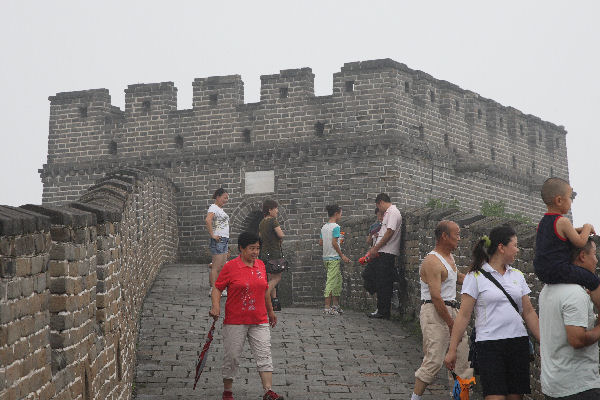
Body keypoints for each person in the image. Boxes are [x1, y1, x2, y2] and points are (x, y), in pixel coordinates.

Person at [445, 225, 540, 400]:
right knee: (495, 396)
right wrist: (452, 349)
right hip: (490, 345)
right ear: (501, 247)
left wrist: (544, 340)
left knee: (515, 397)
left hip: (517, 343)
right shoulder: (475, 277)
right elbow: (464, 316)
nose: (518, 250)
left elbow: (528, 312)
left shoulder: (517, 275)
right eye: (515, 245)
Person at [209, 231, 284, 400]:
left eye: (257, 248)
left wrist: (270, 311)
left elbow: (264, 290)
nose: (255, 252)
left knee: (264, 354)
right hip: (236, 321)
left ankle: (268, 391)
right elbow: (217, 288)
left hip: (259, 319)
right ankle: (228, 391)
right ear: (241, 248)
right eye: (251, 248)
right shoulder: (230, 267)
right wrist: (215, 306)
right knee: (232, 357)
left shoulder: (260, 266)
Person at [411, 221, 473, 400]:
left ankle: (459, 398)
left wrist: (479, 270)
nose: (459, 238)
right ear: (444, 236)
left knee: (462, 362)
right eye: (457, 234)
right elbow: (436, 296)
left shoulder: (449, 258)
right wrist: (451, 324)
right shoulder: (432, 261)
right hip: (434, 311)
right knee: (434, 359)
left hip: (452, 309)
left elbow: (458, 278)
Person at [539, 238, 600, 399]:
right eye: (594, 254)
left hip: (554, 384)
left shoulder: (548, 288)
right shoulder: (574, 293)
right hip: (577, 386)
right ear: (582, 256)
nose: (596, 260)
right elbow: (577, 340)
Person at [534, 177, 600, 309]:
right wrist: (587, 226)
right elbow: (580, 242)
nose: (571, 201)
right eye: (570, 198)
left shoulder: (542, 222)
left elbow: (559, 234)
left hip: (541, 270)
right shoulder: (563, 221)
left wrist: (578, 229)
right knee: (592, 280)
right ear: (559, 200)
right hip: (559, 269)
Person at [367, 193, 402, 319]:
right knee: (376, 279)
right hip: (382, 251)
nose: (379, 210)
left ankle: (383, 311)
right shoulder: (388, 213)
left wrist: (376, 247)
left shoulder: (392, 212)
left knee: (384, 282)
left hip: (387, 252)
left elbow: (389, 232)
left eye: (378, 206)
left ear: (381, 202)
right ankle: (381, 308)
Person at [319, 204, 350, 315]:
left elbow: (321, 243)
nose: (341, 216)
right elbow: (334, 243)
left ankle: (335, 305)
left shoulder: (324, 227)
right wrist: (342, 255)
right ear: (336, 213)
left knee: (337, 280)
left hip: (326, 257)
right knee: (331, 281)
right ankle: (327, 307)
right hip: (334, 257)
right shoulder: (336, 227)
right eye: (341, 213)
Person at [259, 199, 285, 311]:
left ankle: (274, 302)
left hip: (264, 253)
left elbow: (260, 237)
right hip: (274, 253)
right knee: (277, 277)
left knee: (270, 278)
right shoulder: (273, 221)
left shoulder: (261, 222)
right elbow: (280, 235)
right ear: (270, 210)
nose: (277, 211)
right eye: (276, 209)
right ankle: (264, 296)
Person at [206, 188, 230, 297]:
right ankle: (214, 288)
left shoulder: (220, 209)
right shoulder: (213, 207)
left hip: (224, 239)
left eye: (227, 198)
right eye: (224, 198)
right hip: (218, 239)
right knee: (216, 266)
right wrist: (212, 235)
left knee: (222, 266)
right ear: (218, 197)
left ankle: (220, 287)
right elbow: (208, 220)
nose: (226, 200)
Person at [362, 208, 383, 312]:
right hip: (373, 255)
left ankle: (379, 307)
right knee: (366, 274)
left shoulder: (386, 225)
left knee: (379, 280)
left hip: (381, 255)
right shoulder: (374, 226)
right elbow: (368, 241)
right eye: (378, 214)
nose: (380, 216)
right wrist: (372, 235)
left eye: (381, 214)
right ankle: (373, 291)